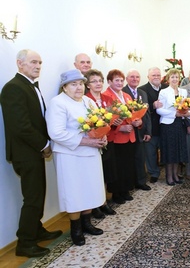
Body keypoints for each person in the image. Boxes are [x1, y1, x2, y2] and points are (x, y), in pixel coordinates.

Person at [0, 49, 62, 257]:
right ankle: (25, 243)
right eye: (33, 62)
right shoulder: (13, 88)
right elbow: (21, 126)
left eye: (40, 63)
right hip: (25, 153)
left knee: (38, 193)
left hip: (33, 151)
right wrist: (43, 145)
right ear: (20, 63)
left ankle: (36, 230)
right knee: (33, 198)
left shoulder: (29, 86)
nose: (38, 66)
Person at [46, 69, 106, 246]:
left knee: (90, 188)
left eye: (80, 83)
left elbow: (100, 122)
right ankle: (76, 229)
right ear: (64, 87)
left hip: (91, 153)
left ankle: (87, 223)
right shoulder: (58, 103)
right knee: (74, 192)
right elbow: (56, 133)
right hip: (70, 156)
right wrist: (86, 141)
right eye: (73, 84)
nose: (78, 87)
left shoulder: (88, 101)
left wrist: (103, 136)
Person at [103, 69, 142, 204]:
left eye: (121, 80)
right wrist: (120, 127)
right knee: (117, 166)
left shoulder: (126, 96)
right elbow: (106, 119)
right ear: (109, 82)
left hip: (130, 135)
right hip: (116, 137)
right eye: (116, 80)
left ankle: (125, 190)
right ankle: (117, 193)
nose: (120, 83)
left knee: (128, 164)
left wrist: (137, 121)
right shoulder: (106, 96)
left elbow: (133, 114)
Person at [84, 69, 117, 218]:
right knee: (95, 175)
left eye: (100, 81)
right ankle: (95, 205)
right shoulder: (85, 99)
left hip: (107, 140)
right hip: (92, 142)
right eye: (94, 81)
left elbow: (112, 118)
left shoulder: (107, 99)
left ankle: (103, 202)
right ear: (88, 85)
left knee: (106, 172)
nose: (98, 84)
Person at [157, 68, 190, 185]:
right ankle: (169, 176)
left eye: (176, 77)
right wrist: (174, 114)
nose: (175, 79)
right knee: (169, 151)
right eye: (172, 77)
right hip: (168, 125)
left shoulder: (183, 92)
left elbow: (187, 108)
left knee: (178, 151)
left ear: (179, 79)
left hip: (179, 125)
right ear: (168, 79)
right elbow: (159, 110)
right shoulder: (163, 92)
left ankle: (176, 175)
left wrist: (186, 113)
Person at [122, 69, 152, 191]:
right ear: (127, 78)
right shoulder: (122, 92)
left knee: (140, 158)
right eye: (132, 77)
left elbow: (147, 114)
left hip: (141, 131)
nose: (135, 79)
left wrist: (148, 131)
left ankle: (141, 181)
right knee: (128, 159)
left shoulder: (142, 93)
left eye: (137, 77)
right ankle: (129, 184)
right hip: (127, 131)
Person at [139, 67, 165, 184]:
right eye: (153, 75)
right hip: (151, 127)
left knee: (165, 150)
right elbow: (139, 109)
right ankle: (153, 173)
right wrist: (152, 105)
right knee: (150, 153)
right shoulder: (142, 90)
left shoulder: (166, 88)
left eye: (158, 75)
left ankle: (168, 171)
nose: (156, 77)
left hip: (165, 126)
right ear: (148, 77)